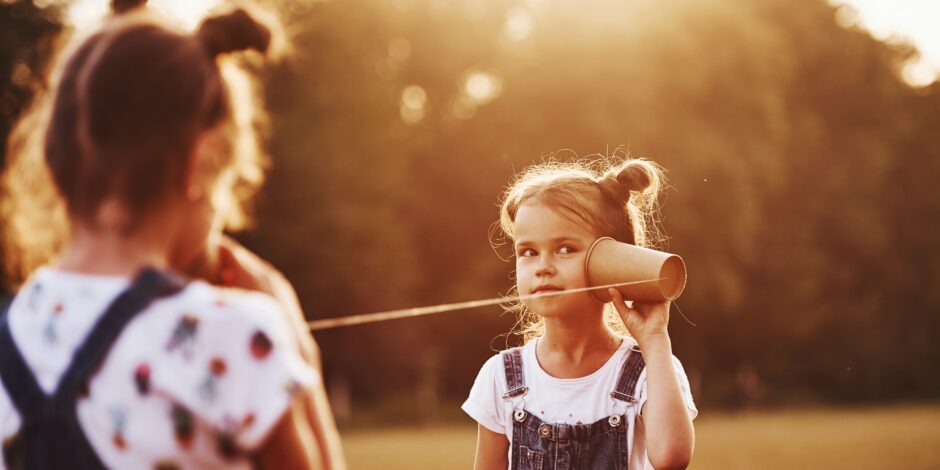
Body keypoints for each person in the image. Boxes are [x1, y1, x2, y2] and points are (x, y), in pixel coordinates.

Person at [0, 4, 344, 469]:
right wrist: (295, 343)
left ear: (52, 160)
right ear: (199, 163)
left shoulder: (9, 341)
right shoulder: (239, 336)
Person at [463, 157, 697, 469]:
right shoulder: (502, 377)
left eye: (565, 249)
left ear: (611, 261)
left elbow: (671, 457)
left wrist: (654, 339)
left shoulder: (650, 370)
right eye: (528, 252)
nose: (543, 267)